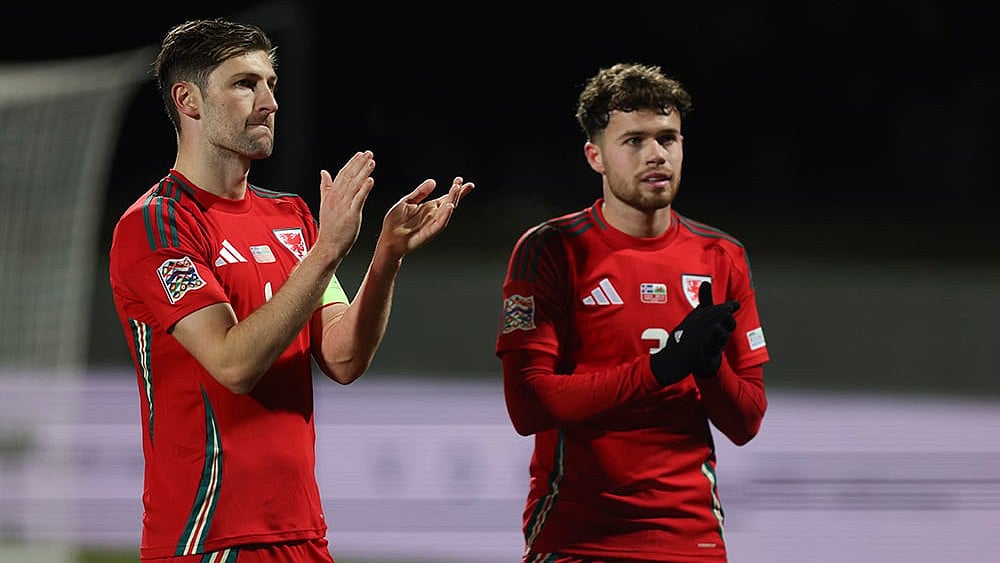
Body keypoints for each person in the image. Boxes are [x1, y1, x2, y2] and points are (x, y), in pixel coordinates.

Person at [108, 18, 474, 562]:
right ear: (188, 100)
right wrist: (328, 250)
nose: (268, 101)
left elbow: (343, 356)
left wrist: (384, 259)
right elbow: (233, 363)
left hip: (301, 531)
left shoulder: (292, 217)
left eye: (271, 84)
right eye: (244, 83)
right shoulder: (158, 225)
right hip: (209, 536)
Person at [494, 62, 769, 562]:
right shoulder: (552, 249)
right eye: (635, 140)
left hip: (692, 539)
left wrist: (710, 371)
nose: (657, 154)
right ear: (595, 156)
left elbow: (746, 421)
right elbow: (528, 404)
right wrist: (660, 369)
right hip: (579, 536)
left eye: (669, 138)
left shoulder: (721, 255)